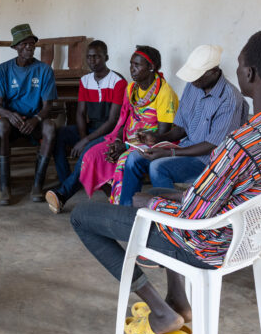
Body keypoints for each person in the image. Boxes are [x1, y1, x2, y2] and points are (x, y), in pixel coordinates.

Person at [70, 30, 261, 334]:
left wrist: (147, 204)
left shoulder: (241, 143)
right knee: (161, 191)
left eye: (240, 63)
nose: (238, 69)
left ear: (250, 73)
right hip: (248, 239)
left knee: (84, 217)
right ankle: (179, 301)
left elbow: (193, 217)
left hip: (207, 246)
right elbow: (229, 196)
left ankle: (160, 312)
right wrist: (167, 193)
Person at [114, 44, 248, 206]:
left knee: (158, 167)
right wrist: (158, 138)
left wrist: (170, 153)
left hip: (209, 161)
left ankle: (172, 218)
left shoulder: (230, 99)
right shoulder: (194, 85)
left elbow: (213, 144)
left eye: (197, 76)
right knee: (134, 157)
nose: (193, 81)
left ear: (214, 72)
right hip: (186, 150)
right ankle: (127, 210)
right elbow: (182, 128)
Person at [68, 46, 178, 212]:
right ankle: (116, 199)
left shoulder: (164, 93)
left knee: (124, 160)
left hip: (153, 142)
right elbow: (123, 122)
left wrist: (126, 146)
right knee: (93, 155)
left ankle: (125, 208)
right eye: (131, 64)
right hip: (128, 140)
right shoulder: (131, 89)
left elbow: (162, 134)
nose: (132, 69)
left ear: (151, 67)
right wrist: (119, 140)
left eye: (137, 65)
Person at [47, 41, 127, 213]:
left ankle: (62, 194)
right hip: (91, 129)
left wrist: (85, 142)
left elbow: (113, 121)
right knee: (59, 135)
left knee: (87, 151)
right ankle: (67, 180)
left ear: (106, 57)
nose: (92, 60)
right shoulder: (85, 80)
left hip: (110, 132)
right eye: (89, 57)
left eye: (97, 56)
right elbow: (80, 113)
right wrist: (83, 137)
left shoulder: (117, 82)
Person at [0, 24, 58, 205]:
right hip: (12, 122)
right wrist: (10, 115)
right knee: (2, 125)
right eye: (23, 44)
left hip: (34, 121)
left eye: (31, 43)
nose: (29, 47)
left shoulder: (44, 70)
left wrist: (35, 119)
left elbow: (48, 106)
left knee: (51, 127)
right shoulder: (3, 69)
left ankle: (37, 185)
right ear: (15, 47)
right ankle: (4, 187)